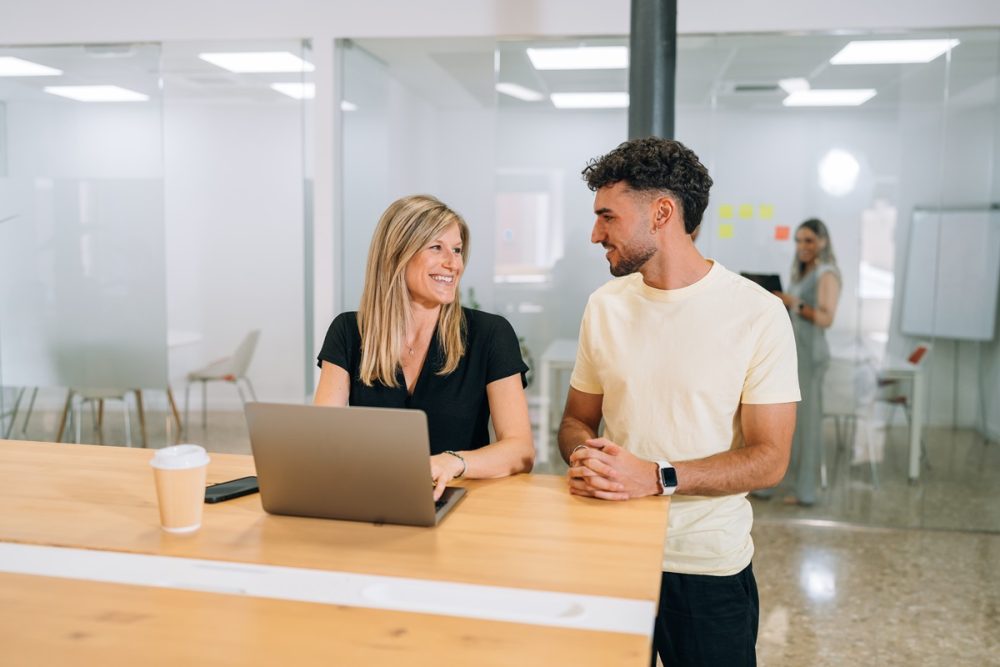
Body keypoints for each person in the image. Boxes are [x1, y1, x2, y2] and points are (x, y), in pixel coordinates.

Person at [558, 137, 800, 667]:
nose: (595, 234)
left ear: (662, 212)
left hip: (707, 569)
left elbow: (770, 458)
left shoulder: (757, 314)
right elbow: (576, 420)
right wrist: (588, 456)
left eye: (608, 216)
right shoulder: (604, 306)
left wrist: (656, 477)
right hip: (611, 556)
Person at [314, 194, 534, 500]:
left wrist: (453, 462)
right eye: (436, 247)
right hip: (372, 498)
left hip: (460, 504)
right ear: (396, 254)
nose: (453, 263)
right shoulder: (349, 332)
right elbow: (323, 441)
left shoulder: (490, 334)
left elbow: (520, 451)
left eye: (457, 250)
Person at [770, 218, 841, 506]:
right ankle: (785, 483)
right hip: (797, 354)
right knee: (793, 425)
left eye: (809, 240)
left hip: (812, 356)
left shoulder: (827, 273)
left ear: (822, 242)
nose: (802, 246)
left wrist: (792, 302)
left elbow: (826, 318)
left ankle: (806, 491)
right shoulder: (804, 271)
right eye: (799, 240)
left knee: (808, 426)